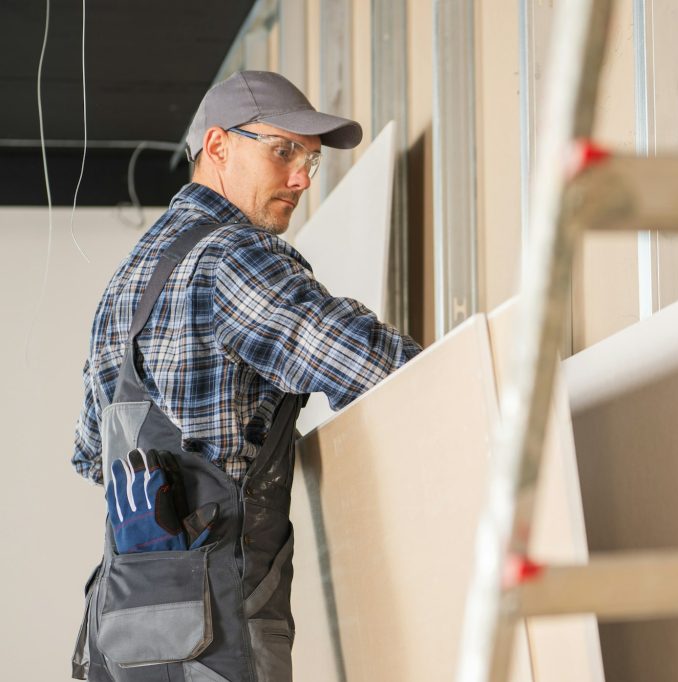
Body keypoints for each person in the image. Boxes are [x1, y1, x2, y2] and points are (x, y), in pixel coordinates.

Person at [70, 70, 420, 681]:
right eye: (283, 150)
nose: (302, 177)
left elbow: (91, 457)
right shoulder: (232, 255)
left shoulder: (123, 286)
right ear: (217, 146)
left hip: (120, 637)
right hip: (216, 637)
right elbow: (370, 364)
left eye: (310, 160)